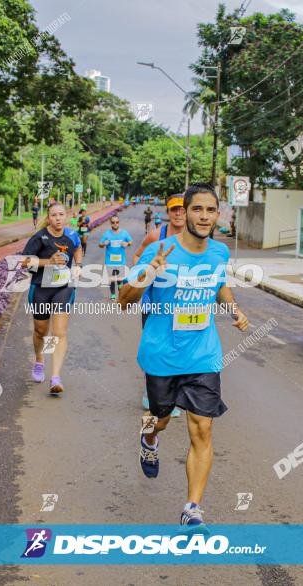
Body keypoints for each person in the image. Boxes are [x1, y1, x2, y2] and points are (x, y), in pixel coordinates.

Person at [119, 183, 249, 531]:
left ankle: (192, 508)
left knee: (202, 428)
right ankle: (148, 439)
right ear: (184, 214)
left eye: (210, 210)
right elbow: (123, 300)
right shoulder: (160, 250)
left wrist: (234, 309)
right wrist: (149, 272)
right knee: (158, 418)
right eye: (197, 210)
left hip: (203, 354)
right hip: (161, 354)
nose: (204, 216)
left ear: (217, 215)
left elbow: (219, 282)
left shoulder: (219, 253)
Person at [20, 202, 83, 395]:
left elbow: (78, 248)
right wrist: (49, 262)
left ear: (66, 216)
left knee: (59, 332)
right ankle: (40, 360)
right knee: (40, 331)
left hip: (62, 288)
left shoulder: (72, 235)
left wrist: (78, 265)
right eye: (54, 215)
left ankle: (55, 377)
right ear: (48, 218)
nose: (58, 218)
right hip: (40, 288)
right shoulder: (39, 238)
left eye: (61, 214)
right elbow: (24, 262)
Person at [132, 195, 186, 412]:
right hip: (153, 302)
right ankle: (151, 390)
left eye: (182, 209)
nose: (179, 213)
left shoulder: (195, 238)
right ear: (168, 213)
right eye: (174, 210)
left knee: (177, 345)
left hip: (180, 303)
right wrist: (148, 273)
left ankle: (171, 394)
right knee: (155, 347)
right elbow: (136, 256)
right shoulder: (157, 235)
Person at [98, 214, 132, 301]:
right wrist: (103, 244)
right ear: (110, 223)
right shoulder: (107, 234)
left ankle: (120, 294)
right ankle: (113, 295)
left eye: (117, 222)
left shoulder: (124, 233)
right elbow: (100, 244)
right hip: (110, 261)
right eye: (113, 222)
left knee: (120, 280)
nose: (115, 224)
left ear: (119, 222)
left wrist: (127, 244)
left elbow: (131, 241)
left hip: (121, 261)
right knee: (112, 279)